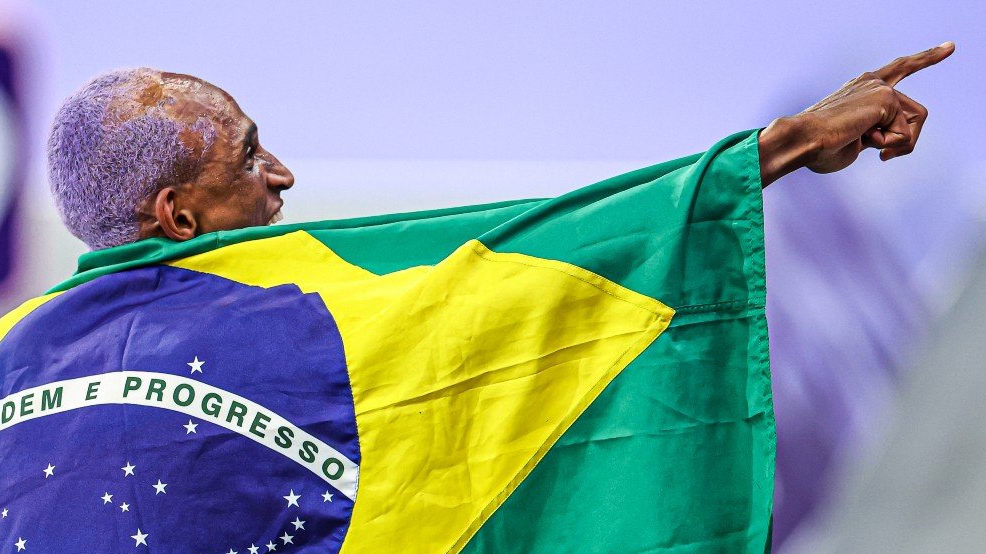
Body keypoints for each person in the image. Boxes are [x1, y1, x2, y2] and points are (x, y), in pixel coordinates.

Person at [47, 43, 953, 250]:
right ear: (178, 216)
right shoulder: (317, 305)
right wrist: (789, 144)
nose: (284, 177)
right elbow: (553, 248)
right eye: (247, 160)